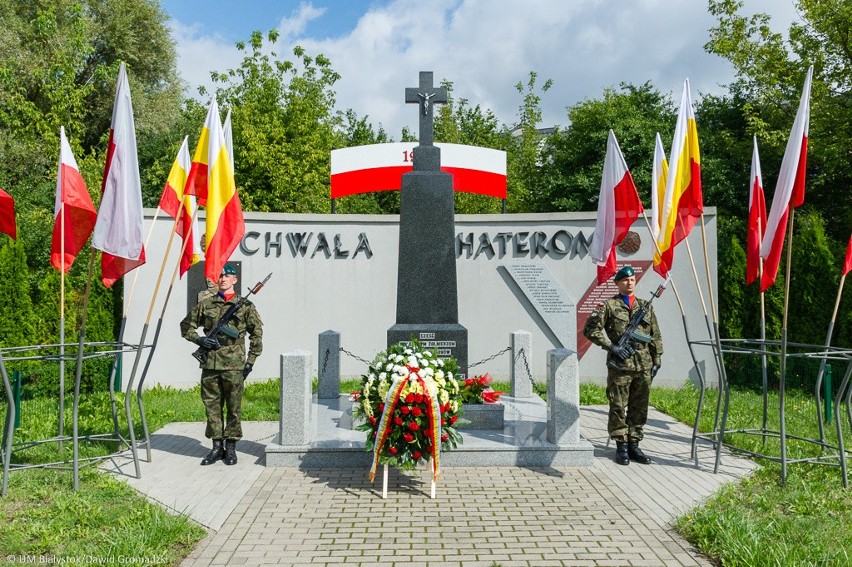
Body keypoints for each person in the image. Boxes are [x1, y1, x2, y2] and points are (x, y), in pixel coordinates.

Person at [180, 263, 263, 466]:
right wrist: (199, 340)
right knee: (212, 407)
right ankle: (217, 447)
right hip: (210, 364)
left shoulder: (245, 307)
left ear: (235, 280)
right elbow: (185, 326)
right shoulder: (206, 305)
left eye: (228, 276)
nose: (223, 279)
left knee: (234, 408)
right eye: (221, 276)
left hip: (234, 366)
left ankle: (231, 447)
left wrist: (250, 362)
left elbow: (257, 335)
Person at [583, 266, 663, 466]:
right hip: (621, 365)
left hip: (643, 365)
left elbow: (655, 334)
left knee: (639, 406)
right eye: (625, 280)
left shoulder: (646, 306)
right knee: (618, 406)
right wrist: (612, 347)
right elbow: (590, 329)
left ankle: (635, 445)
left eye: (632, 279)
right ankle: (621, 447)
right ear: (617, 283)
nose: (630, 282)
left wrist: (657, 359)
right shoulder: (608, 306)